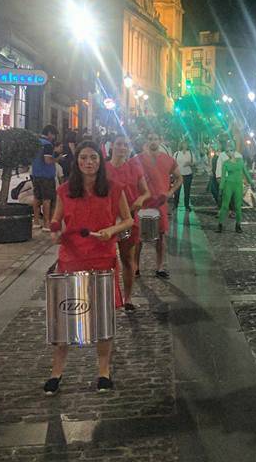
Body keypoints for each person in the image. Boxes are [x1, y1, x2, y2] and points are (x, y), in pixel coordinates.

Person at [44, 141, 133, 394]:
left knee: (103, 319)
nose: (88, 162)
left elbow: (128, 220)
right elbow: (56, 219)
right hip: (70, 259)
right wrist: (54, 232)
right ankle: (56, 372)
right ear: (77, 161)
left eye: (93, 157)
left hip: (102, 258)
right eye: (83, 158)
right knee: (66, 317)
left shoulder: (114, 189)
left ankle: (103, 371)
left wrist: (111, 230)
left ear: (100, 160)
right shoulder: (64, 190)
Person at [104, 135, 150, 310]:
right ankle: (109, 294)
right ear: (112, 147)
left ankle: (128, 297)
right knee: (107, 259)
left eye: (125, 145)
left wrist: (140, 199)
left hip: (129, 219)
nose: (122, 148)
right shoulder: (104, 168)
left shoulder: (134, 168)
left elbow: (146, 192)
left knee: (127, 259)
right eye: (118, 144)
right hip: (107, 220)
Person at [136, 131, 182, 278]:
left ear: (160, 140)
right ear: (147, 141)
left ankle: (160, 267)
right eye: (150, 139)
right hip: (143, 204)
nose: (153, 142)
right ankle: (136, 267)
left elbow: (179, 178)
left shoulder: (168, 160)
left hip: (160, 204)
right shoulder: (138, 159)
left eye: (156, 138)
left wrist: (170, 192)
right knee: (138, 238)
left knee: (161, 236)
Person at [216, 140, 253, 233]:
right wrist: (220, 188)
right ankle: (220, 224)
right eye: (227, 151)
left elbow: (246, 172)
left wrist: (251, 183)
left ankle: (238, 225)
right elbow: (223, 177)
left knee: (237, 206)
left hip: (238, 185)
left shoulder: (240, 160)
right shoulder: (225, 163)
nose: (229, 153)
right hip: (228, 185)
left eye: (231, 150)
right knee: (224, 206)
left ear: (234, 150)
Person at [31, 125, 59, 231]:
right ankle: (47, 224)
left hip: (36, 173)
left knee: (37, 198)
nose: (54, 137)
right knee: (47, 199)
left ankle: (36, 221)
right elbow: (47, 161)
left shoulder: (36, 142)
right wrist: (57, 159)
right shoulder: (47, 145)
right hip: (46, 175)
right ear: (49, 133)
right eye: (54, 135)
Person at [173, 140, 195, 210]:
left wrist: (190, 164)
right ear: (181, 145)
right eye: (183, 144)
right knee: (177, 191)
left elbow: (194, 162)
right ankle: (175, 205)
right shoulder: (177, 153)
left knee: (187, 191)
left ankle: (187, 205)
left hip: (188, 174)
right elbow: (173, 163)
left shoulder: (190, 153)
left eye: (186, 144)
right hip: (178, 175)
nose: (185, 145)